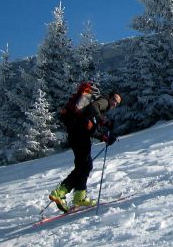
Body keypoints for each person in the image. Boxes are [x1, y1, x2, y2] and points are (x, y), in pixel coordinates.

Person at [49, 84, 122, 212]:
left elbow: (88, 128)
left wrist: (104, 138)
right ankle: (68, 194)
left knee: (83, 166)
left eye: (117, 103)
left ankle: (73, 194)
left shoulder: (89, 111)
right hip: (80, 136)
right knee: (85, 165)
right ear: (110, 98)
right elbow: (94, 107)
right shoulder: (103, 101)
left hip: (75, 135)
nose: (115, 104)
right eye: (114, 100)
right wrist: (102, 121)